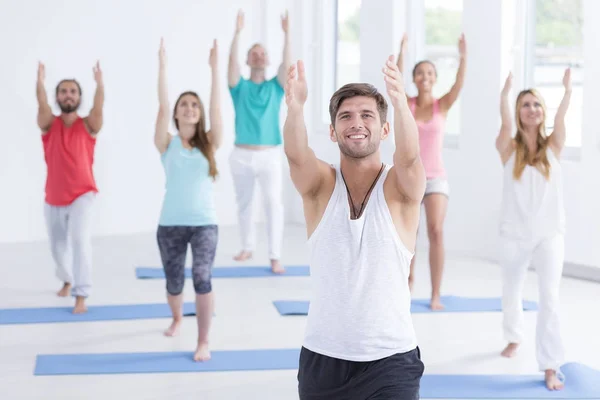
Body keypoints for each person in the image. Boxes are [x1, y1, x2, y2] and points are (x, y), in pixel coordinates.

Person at [284, 57, 425, 399]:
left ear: (385, 129)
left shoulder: (400, 188)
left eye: (367, 115)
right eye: (345, 116)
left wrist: (401, 103)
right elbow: (297, 156)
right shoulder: (320, 186)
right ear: (332, 131)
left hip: (391, 360)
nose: (356, 123)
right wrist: (296, 107)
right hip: (323, 359)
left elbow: (409, 158)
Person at [496, 69, 571, 391]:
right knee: (512, 291)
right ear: (518, 111)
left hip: (549, 234)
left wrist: (567, 91)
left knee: (549, 298)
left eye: (536, 105)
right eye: (525, 105)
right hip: (514, 234)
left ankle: (550, 365)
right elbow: (504, 123)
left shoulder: (554, 145)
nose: (532, 110)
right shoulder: (507, 148)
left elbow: (563, 114)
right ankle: (514, 336)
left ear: (543, 112)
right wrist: (504, 94)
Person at [154, 38, 223, 362]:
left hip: (204, 223)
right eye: (185, 104)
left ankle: (203, 340)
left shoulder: (209, 142)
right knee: (173, 282)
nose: (190, 108)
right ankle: (178, 316)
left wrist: (213, 70)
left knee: (202, 277)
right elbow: (162, 106)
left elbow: (217, 107)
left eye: (195, 105)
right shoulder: (166, 142)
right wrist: (163, 68)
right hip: (170, 225)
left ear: (200, 113)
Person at [396, 33, 467, 310]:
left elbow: (459, 84)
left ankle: (435, 293)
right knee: (408, 234)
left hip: (436, 177)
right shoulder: (409, 104)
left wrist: (463, 57)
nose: (425, 77)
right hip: (411, 178)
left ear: (435, 78)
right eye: (420, 73)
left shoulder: (442, 105)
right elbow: (396, 81)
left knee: (436, 230)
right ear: (414, 79)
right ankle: (408, 281)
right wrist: (402, 50)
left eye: (429, 73)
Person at [36, 60, 104, 314]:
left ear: (79, 97)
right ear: (57, 97)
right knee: (57, 248)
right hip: (53, 197)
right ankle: (66, 278)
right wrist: (40, 82)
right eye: (63, 91)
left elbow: (100, 106)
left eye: (73, 91)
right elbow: (41, 104)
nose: (68, 95)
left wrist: (100, 84)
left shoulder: (88, 125)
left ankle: (81, 294)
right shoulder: (48, 124)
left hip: (82, 195)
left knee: (79, 241)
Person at [227, 10, 291, 274]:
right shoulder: (239, 87)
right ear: (247, 59)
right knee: (245, 203)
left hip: (270, 155)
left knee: (273, 203)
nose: (258, 55)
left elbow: (286, 67)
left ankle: (275, 256)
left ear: (267, 60)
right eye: (254, 53)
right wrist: (237, 33)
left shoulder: (276, 87)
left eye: (263, 53)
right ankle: (247, 246)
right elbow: (229, 67)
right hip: (241, 155)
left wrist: (287, 35)